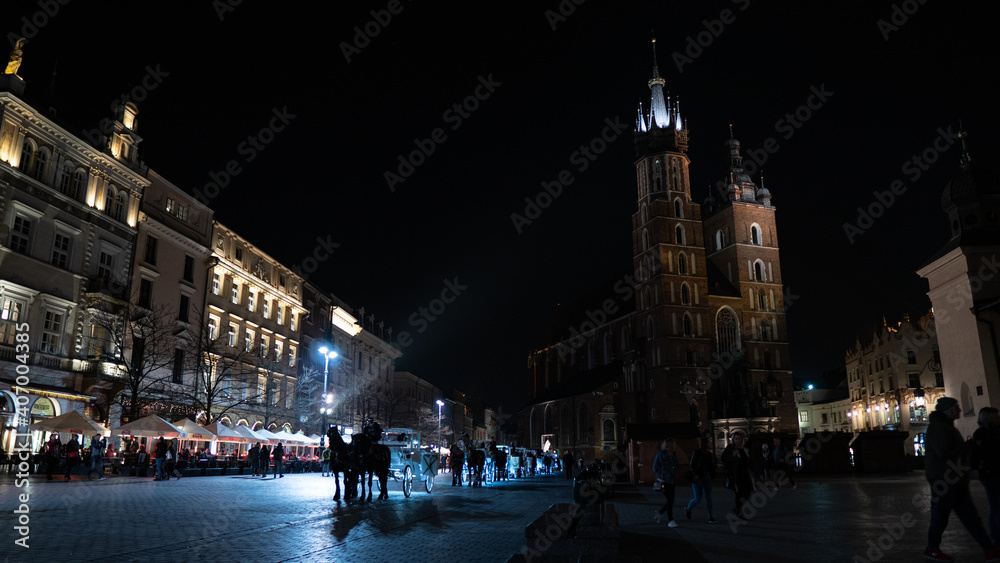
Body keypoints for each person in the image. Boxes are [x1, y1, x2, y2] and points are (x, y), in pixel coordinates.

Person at [924, 397, 1000, 561]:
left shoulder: (944, 427)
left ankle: (989, 548)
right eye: (956, 408)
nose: (960, 410)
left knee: (968, 516)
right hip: (944, 480)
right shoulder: (939, 428)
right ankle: (932, 548)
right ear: (949, 411)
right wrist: (969, 446)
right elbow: (944, 453)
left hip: (954, 479)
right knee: (943, 515)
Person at [974, 407, 1000, 545]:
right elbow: (985, 454)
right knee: (996, 506)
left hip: (992, 472)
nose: (998, 419)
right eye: (996, 417)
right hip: (991, 473)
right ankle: (996, 537)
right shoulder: (982, 434)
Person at [722, 432, 755, 521]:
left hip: (745, 474)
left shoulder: (745, 449)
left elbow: (749, 462)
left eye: (739, 438)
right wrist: (733, 456)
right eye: (736, 438)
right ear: (733, 440)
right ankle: (740, 512)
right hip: (736, 475)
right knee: (739, 494)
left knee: (747, 493)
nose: (738, 440)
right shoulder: (730, 448)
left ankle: (738, 509)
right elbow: (723, 458)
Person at [685, 437, 717, 523]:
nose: (711, 443)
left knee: (708, 497)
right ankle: (688, 508)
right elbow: (692, 464)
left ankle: (710, 516)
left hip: (707, 476)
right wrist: (695, 474)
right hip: (698, 477)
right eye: (709, 442)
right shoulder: (697, 452)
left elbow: (711, 466)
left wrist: (712, 475)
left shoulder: (709, 454)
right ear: (706, 443)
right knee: (697, 498)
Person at [652, 438, 680, 527]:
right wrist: (664, 474)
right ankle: (670, 520)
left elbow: (675, 465)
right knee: (670, 500)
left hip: (671, 480)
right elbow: (655, 467)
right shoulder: (661, 454)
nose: (676, 446)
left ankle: (660, 513)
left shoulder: (674, 455)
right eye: (674, 444)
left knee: (671, 500)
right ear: (670, 445)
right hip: (663, 481)